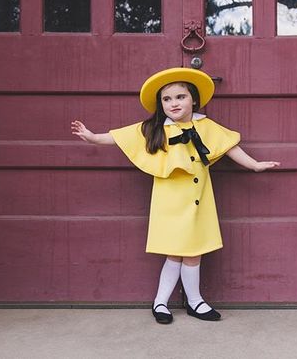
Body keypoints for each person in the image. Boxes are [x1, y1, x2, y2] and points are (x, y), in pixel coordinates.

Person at [71, 68, 280, 324]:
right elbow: (121, 137)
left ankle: (195, 302)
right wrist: (93, 138)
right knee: (174, 251)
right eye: (167, 99)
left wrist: (255, 165)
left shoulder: (205, 126)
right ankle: (160, 301)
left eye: (180, 97)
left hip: (199, 200)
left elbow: (229, 146)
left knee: (194, 252)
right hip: (170, 201)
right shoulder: (154, 128)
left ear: (193, 99)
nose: (173, 103)